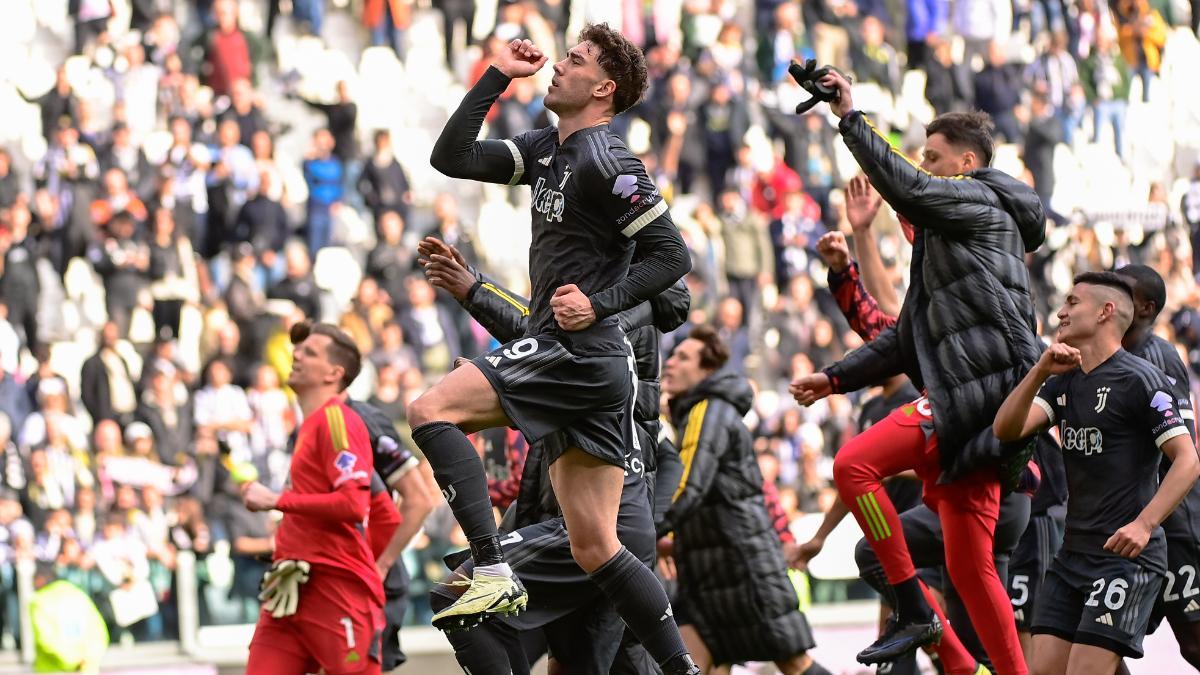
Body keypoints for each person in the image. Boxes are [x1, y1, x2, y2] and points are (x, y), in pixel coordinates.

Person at [418, 27, 696, 674]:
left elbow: (672, 255)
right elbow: (452, 157)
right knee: (596, 545)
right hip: (588, 364)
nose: (559, 66)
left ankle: (489, 565)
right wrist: (496, 75)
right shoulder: (549, 148)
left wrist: (600, 302)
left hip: (579, 351)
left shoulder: (610, 161)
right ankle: (680, 667)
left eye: (574, 60)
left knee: (432, 408)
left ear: (603, 89)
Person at [790, 69, 1045, 674]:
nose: (924, 166)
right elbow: (907, 337)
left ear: (967, 163)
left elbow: (906, 188)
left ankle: (911, 606)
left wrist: (849, 117)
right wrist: (835, 378)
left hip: (974, 398)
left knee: (853, 464)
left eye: (933, 157)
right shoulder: (946, 238)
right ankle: (969, 667)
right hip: (976, 407)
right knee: (969, 570)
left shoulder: (981, 201)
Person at [420, 235, 691, 674]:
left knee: (463, 595)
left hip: (602, 517)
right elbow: (542, 332)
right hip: (584, 517)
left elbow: (549, 336)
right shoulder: (595, 306)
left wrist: (476, 296)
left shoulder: (610, 308)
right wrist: (476, 291)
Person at [994, 271, 1200, 675]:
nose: (1060, 313)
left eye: (1072, 303)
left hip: (1126, 560)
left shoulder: (1143, 380)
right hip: (1072, 557)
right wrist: (1039, 373)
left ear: (1106, 312)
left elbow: (1188, 460)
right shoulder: (1064, 380)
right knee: (1043, 671)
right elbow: (1007, 429)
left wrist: (1144, 524)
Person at [660, 325, 830, 675]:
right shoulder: (694, 413)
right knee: (686, 663)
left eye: (683, 357)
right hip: (709, 570)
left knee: (794, 663)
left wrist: (646, 531)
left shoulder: (708, 410)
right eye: (672, 355)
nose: (670, 363)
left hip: (743, 565)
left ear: (707, 370)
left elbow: (688, 487)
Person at [240, 321, 385, 674]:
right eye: (298, 349)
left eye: (310, 352)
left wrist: (277, 501)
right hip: (289, 590)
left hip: (336, 590)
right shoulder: (309, 425)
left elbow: (355, 504)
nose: (296, 354)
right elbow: (384, 511)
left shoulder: (337, 421)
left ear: (334, 373)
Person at [1116, 265, 1200, 668]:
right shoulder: (1104, 355)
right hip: (1117, 525)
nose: (1111, 298)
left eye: (1124, 292)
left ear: (1147, 307)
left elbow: (1183, 455)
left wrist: (1151, 520)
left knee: (1194, 642)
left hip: (1170, 525)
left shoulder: (1158, 359)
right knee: (1093, 641)